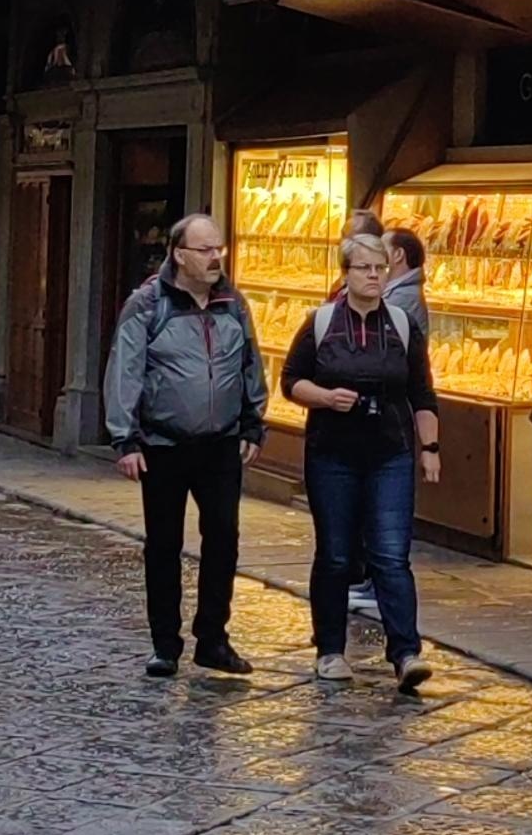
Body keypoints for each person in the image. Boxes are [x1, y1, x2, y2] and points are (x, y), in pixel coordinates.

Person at [102, 214, 266, 681]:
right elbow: (125, 369)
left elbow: (251, 363)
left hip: (221, 444)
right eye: (205, 250)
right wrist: (125, 438)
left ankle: (213, 638)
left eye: (219, 249)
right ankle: (165, 644)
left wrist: (254, 423)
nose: (215, 257)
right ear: (179, 255)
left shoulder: (234, 303)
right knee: (163, 545)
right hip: (162, 444)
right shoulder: (147, 304)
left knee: (224, 541)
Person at [282, 226, 440, 685]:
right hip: (333, 453)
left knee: (392, 555)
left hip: (390, 452)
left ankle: (406, 653)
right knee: (335, 554)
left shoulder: (402, 325)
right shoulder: (322, 322)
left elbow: (422, 393)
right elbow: (291, 381)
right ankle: (330, 649)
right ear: (345, 273)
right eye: (364, 269)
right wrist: (327, 397)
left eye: (380, 268)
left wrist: (430, 447)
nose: (374, 276)